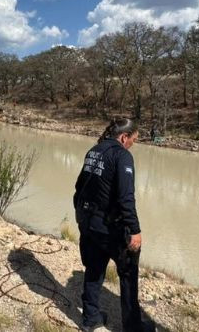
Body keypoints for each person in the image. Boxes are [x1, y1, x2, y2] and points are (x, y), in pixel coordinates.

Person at [73, 117, 145, 331]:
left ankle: (90, 318)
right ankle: (133, 328)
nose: (133, 144)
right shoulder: (122, 156)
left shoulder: (94, 151)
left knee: (94, 269)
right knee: (129, 274)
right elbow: (126, 198)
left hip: (88, 221)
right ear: (124, 137)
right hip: (108, 226)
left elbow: (79, 186)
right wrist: (134, 230)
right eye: (134, 139)